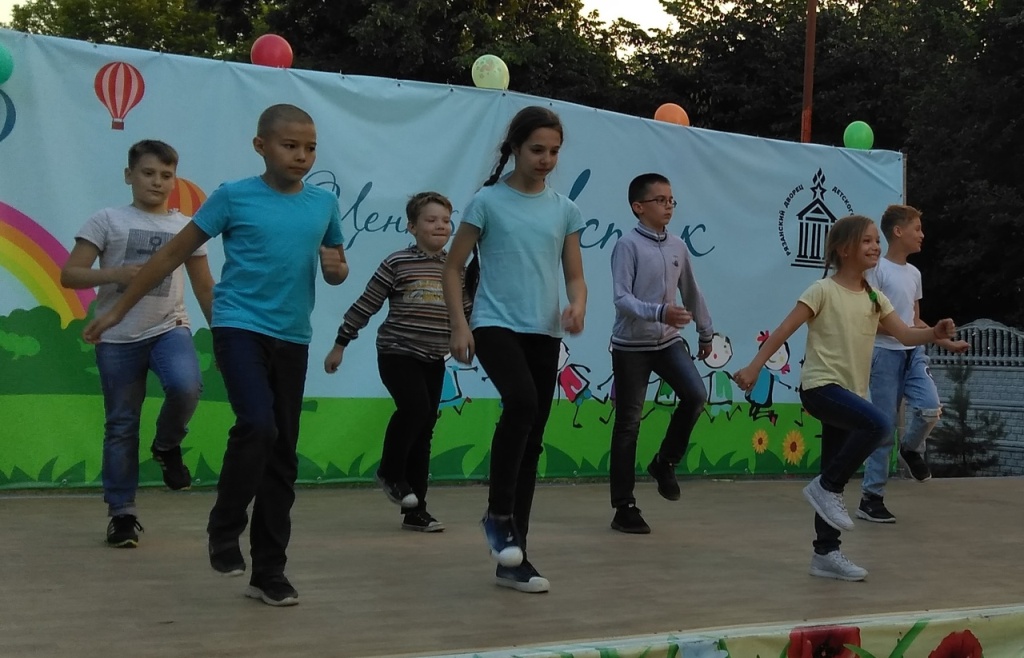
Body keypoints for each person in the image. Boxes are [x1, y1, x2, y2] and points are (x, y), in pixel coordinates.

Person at [84, 104, 348, 607]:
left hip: (293, 335)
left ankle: (269, 572)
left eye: (310, 147)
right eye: (290, 145)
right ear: (261, 146)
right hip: (238, 325)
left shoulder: (323, 204)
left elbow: (336, 267)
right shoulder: (233, 196)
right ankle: (225, 525)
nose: (302, 155)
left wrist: (337, 270)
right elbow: (170, 254)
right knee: (259, 425)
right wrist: (118, 310)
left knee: (282, 455)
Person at [733, 214, 955, 582]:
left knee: (834, 464)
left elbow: (904, 334)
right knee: (880, 425)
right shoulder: (822, 290)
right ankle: (827, 487)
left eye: (876, 241)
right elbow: (784, 330)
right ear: (843, 249)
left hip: (849, 392)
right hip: (821, 388)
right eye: (867, 241)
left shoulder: (874, 297)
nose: (875, 247)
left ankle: (826, 553)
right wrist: (755, 367)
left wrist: (934, 332)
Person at [441, 106, 587, 594]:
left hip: (544, 331)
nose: (546, 159)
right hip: (494, 323)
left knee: (532, 438)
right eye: (537, 149)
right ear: (515, 148)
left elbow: (574, 275)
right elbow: (453, 267)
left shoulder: (564, 209)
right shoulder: (487, 202)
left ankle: (514, 558)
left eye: (554, 152)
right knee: (521, 404)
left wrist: (578, 305)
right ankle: (498, 516)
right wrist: (460, 325)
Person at [61, 139, 214, 549]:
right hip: (117, 337)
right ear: (129, 175)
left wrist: (223, 333)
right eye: (148, 173)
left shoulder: (187, 227)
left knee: (185, 386)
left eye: (166, 175)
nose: (157, 182)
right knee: (121, 424)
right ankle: (122, 514)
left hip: (169, 327)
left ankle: (167, 445)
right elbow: (70, 274)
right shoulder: (106, 220)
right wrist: (115, 274)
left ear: (175, 180)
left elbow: (204, 287)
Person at [325, 191, 470, 533]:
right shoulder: (397, 263)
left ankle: (416, 511)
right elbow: (367, 303)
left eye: (446, 221)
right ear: (412, 227)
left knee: (425, 429)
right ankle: (390, 472)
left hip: (434, 357)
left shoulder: (457, 269)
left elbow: (466, 314)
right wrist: (340, 344)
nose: (440, 226)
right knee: (415, 409)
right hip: (397, 352)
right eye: (431, 220)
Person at [607, 173, 713, 535]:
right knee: (628, 424)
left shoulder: (678, 246)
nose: (668, 206)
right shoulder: (627, 246)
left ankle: (664, 462)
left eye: (671, 200)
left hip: (668, 341)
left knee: (696, 395)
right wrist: (658, 312)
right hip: (630, 347)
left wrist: (705, 331)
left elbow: (691, 291)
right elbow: (622, 298)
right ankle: (624, 506)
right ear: (638, 207)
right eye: (660, 200)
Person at [858, 205, 969, 523]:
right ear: (898, 231)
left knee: (931, 408)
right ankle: (871, 498)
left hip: (914, 353)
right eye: (917, 229)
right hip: (884, 355)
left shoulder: (914, 274)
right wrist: (901, 333)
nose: (922, 235)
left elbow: (915, 320)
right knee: (884, 427)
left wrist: (945, 341)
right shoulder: (877, 270)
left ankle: (910, 448)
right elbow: (871, 320)